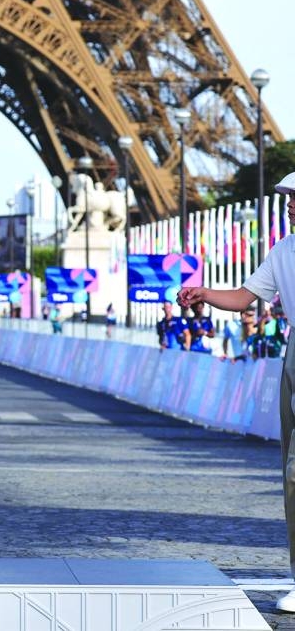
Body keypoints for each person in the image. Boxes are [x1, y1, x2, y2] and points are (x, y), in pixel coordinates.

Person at [177, 171, 295, 612]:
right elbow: (245, 297)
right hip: (293, 355)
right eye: (287, 198)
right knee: (289, 470)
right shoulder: (283, 250)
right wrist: (204, 293)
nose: (289, 204)